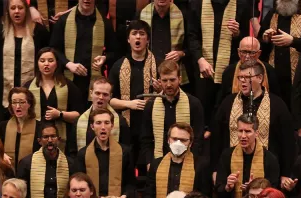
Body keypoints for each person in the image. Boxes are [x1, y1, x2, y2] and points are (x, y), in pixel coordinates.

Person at [213, 60, 296, 175]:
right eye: (240, 77)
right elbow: (217, 138)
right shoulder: (228, 103)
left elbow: (288, 143)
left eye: (247, 77)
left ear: (260, 78)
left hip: (267, 170)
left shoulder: (277, 105)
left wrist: (286, 174)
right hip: (232, 171)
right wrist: (216, 170)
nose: (242, 81)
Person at [108, 20, 158, 169]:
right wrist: (129, 104)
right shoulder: (118, 66)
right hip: (126, 126)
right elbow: (109, 100)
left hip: (150, 126)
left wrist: (161, 89)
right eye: (134, 34)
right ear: (128, 39)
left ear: (147, 40)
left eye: (142, 34)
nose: (138, 37)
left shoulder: (158, 64)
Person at [189, 0, 250, 116]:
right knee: (203, 109)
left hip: (229, 69)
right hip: (202, 67)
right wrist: (200, 59)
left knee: (225, 110)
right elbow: (192, 36)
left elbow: (245, 38)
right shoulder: (197, 3)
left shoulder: (241, 4)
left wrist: (237, 33)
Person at [144, 123, 210, 198]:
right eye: (174, 139)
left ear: (190, 143)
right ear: (168, 140)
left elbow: (205, 197)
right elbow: (148, 194)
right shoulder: (156, 164)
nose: (178, 143)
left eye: (183, 140)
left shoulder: (201, 165)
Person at [139, 60, 205, 165]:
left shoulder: (193, 104)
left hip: (187, 163)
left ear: (179, 79)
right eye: (165, 80)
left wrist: (192, 162)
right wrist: (149, 162)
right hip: (158, 161)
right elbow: (146, 139)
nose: (169, 84)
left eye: (172, 80)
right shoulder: (151, 105)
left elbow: (198, 139)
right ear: (159, 81)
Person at [214, 114, 281, 198]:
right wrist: (228, 187)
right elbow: (218, 191)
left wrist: (255, 189)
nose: (243, 136)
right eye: (240, 131)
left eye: (248, 131)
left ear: (256, 133)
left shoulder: (270, 159)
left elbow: (274, 193)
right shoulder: (227, 155)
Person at [259, 0, 301, 108]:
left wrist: (293, 41)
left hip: (300, 79)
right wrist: (265, 39)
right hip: (275, 79)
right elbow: (259, 45)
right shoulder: (273, 12)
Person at [49, 0, 117, 97]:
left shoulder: (105, 23)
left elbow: (114, 52)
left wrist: (104, 58)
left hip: (93, 81)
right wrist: (68, 64)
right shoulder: (63, 20)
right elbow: (54, 49)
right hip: (67, 78)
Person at [27, 47, 84, 155]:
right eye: (42, 61)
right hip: (35, 136)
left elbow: (79, 116)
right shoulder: (28, 87)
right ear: (37, 64)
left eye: (50, 60)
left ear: (57, 64)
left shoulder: (69, 86)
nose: (46, 64)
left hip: (62, 136)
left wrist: (60, 114)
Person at [0, 0, 49, 101]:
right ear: (8, 11)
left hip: (34, 87)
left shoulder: (39, 31)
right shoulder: (1, 31)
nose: (16, 11)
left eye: (20, 8)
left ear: (26, 10)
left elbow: (48, 57)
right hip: (5, 90)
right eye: (13, 8)